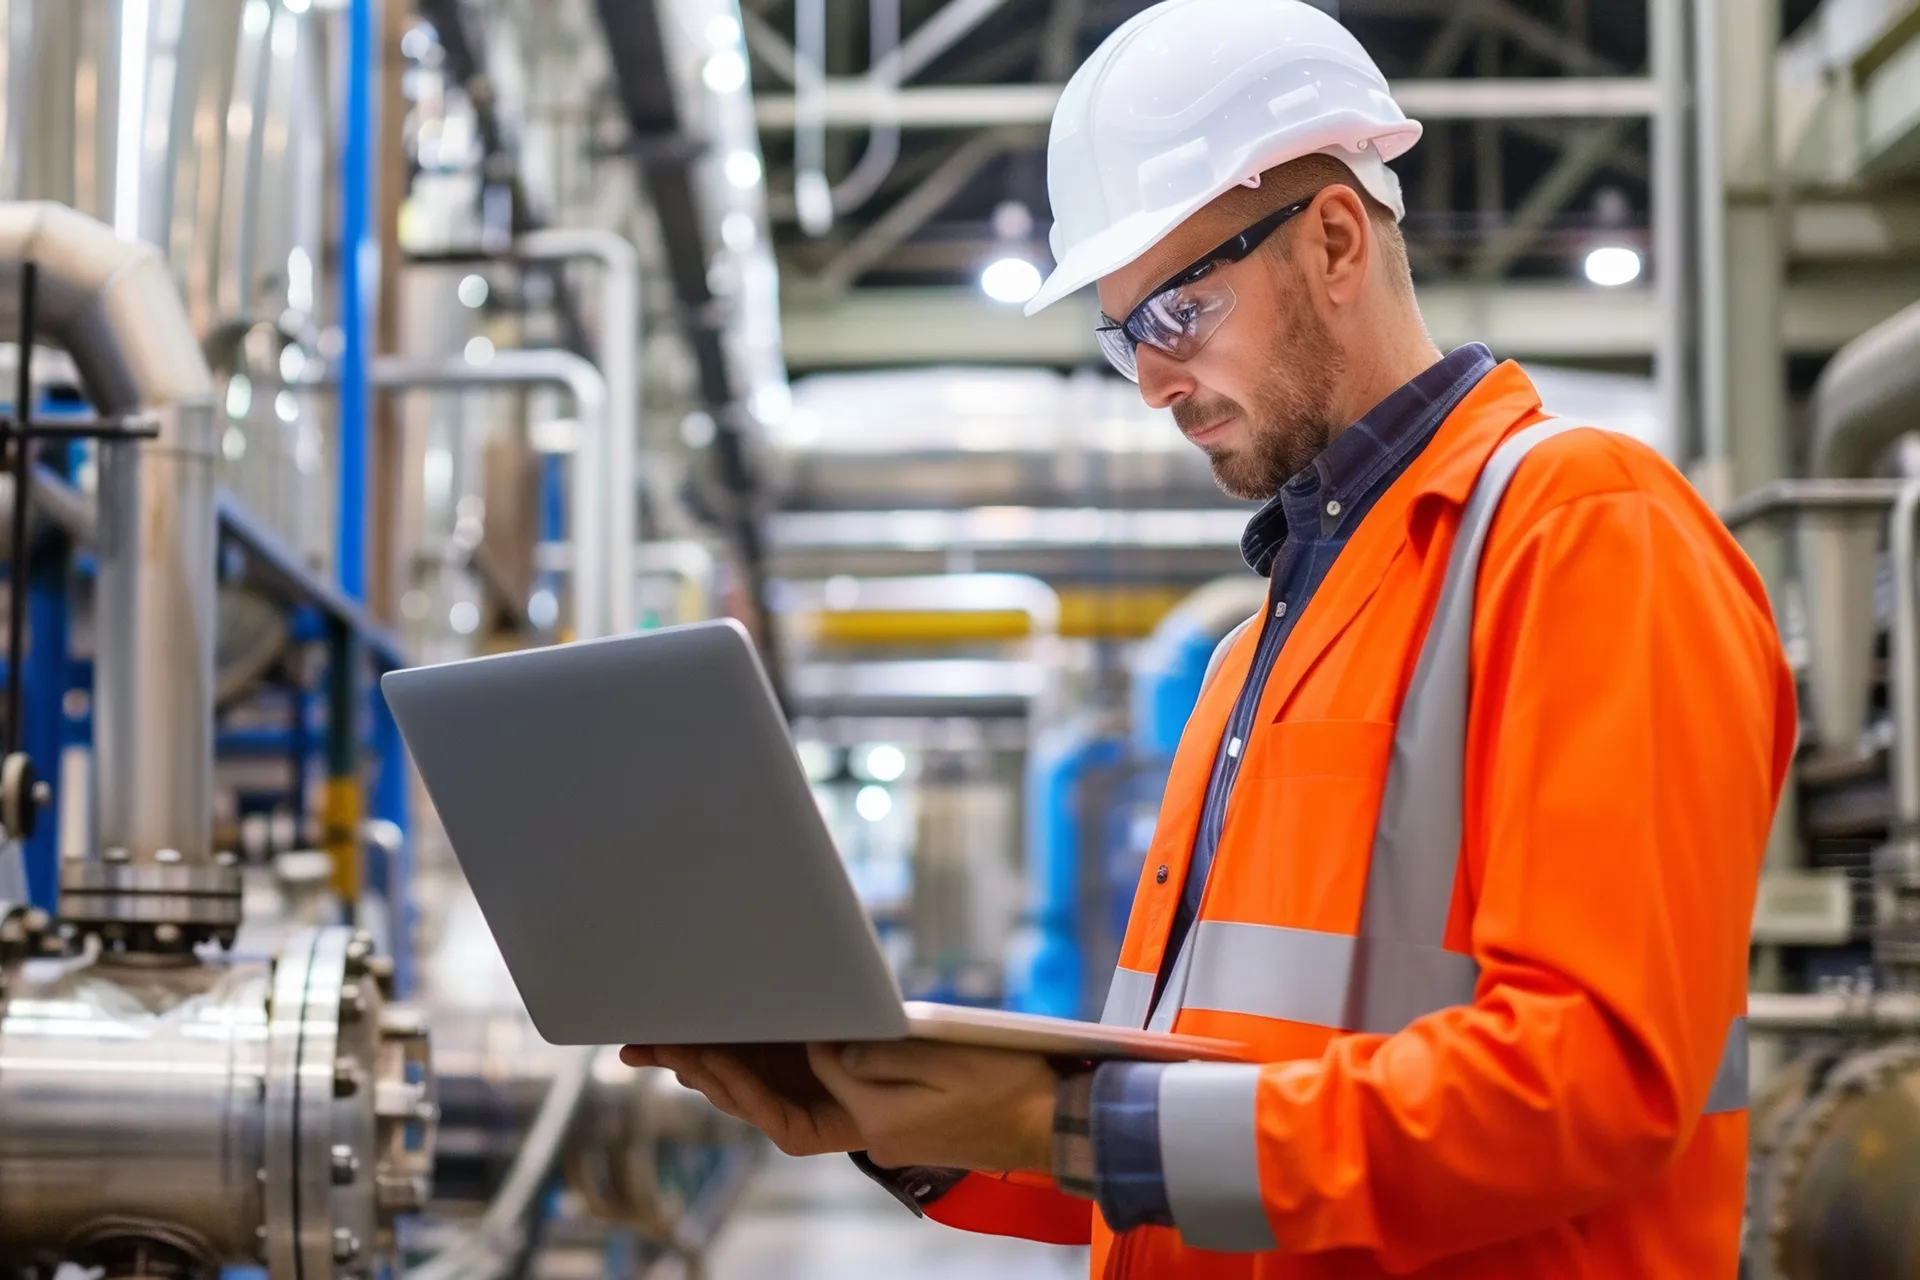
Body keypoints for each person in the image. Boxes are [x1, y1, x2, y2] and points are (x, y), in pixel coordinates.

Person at [623, 0, 1795, 1274]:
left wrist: (1067, 1116)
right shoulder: (1254, 657)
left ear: (1336, 238)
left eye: (1176, 314)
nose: (1152, 384)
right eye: (1123, 334)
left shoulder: (1582, 529)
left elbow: (1593, 1081)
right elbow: (1201, 1127)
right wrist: (919, 1125)